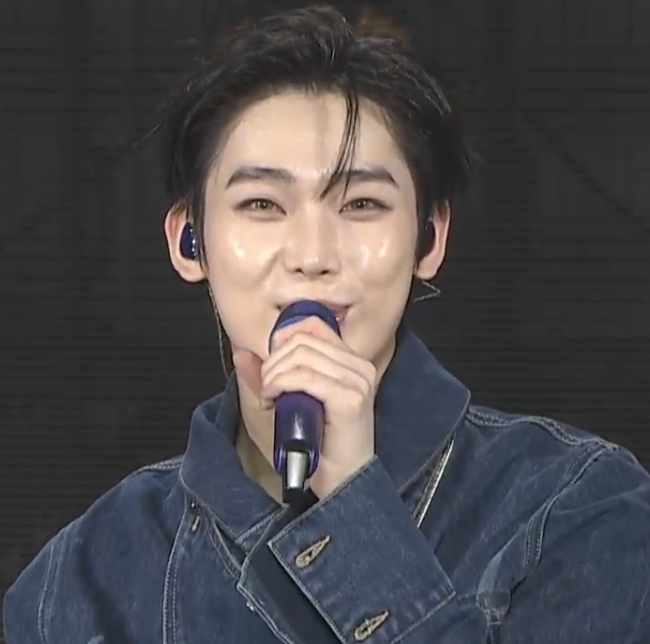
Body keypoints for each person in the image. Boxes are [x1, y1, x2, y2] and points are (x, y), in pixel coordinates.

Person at [4, 5, 650, 643]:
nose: (313, 255)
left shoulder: (575, 507)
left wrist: (354, 509)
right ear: (188, 241)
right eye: (262, 204)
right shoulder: (87, 573)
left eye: (362, 203)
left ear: (429, 238)